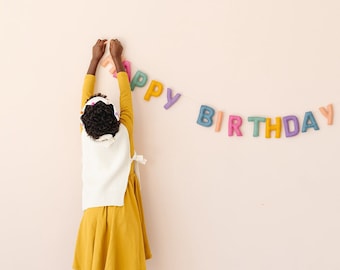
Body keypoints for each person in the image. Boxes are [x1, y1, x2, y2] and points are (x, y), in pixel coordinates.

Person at [73, 39, 152, 270]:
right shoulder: (125, 131)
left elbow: (84, 96)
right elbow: (127, 98)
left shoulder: (85, 138)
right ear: (115, 117)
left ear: (84, 121)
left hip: (93, 214)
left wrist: (94, 60)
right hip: (123, 213)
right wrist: (117, 59)